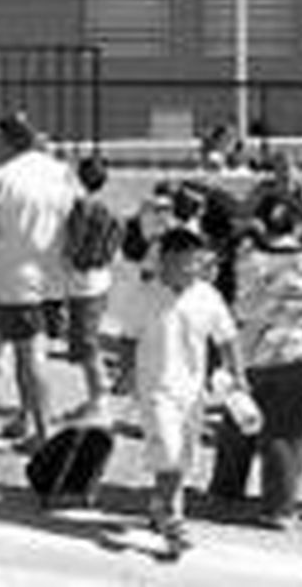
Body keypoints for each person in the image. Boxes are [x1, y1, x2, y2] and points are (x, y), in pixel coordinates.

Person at [109, 227, 247, 555]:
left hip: (192, 389)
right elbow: (127, 338)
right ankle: (172, 517)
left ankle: (163, 505)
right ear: (166, 261)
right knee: (169, 449)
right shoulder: (145, 294)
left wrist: (238, 375)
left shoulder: (207, 295)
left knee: (182, 456)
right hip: (155, 386)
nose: (190, 269)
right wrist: (125, 372)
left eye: (195, 262)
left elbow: (227, 337)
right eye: (184, 262)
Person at [207, 191, 302, 530]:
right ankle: (278, 507)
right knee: (287, 435)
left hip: (251, 352)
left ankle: (225, 491)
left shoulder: (247, 257)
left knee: (236, 425)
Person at [0, 111, 79, 454]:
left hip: (15, 278)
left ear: (8, 141)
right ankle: (26, 415)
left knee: (30, 355)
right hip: (55, 275)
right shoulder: (61, 173)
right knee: (25, 351)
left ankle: (42, 430)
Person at [59, 154, 122, 425]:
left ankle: (99, 401)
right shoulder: (111, 208)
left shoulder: (81, 208)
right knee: (89, 341)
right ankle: (95, 397)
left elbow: (70, 247)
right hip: (102, 278)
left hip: (81, 281)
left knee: (87, 345)